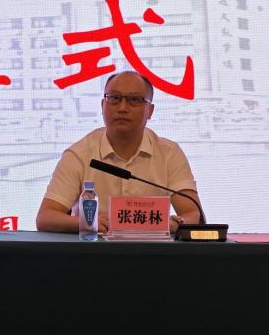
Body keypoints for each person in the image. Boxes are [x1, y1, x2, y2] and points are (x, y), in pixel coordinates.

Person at [36, 70, 201, 235]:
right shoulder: (79, 154)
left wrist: (176, 224)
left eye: (134, 100)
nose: (122, 108)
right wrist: (87, 221)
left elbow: (192, 213)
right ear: (103, 105)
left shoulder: (169, 154)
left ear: (150, 110)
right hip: (96, 248)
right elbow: (46, 217)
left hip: (153, 248)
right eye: (114, 98)